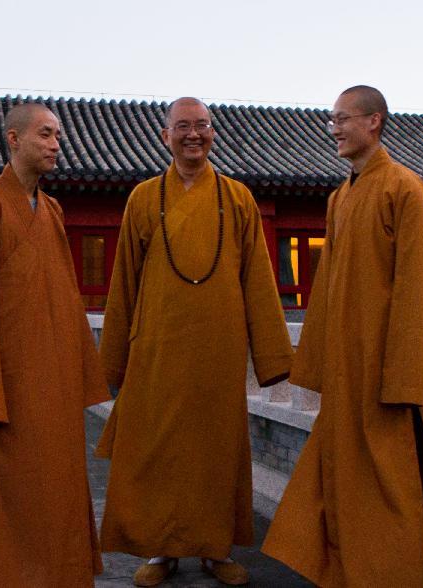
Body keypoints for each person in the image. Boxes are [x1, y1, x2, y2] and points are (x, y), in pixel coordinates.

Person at [261, 86, 423, 587]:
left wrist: (404, 375)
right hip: (346, 364)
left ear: (374, 122)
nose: (334, 128)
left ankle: (395, 573)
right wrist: (316, 362)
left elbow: (419, 285)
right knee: (342, 476)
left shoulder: (404, 188)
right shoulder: (339, 196)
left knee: (390, 477)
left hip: (384, 367)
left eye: (343, 118)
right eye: (331, 120)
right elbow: (328, 288)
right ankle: (346, 568)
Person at [95, 97, 293, 587]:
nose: (193, 134)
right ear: (165, 136)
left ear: (212, 133)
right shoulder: (143, 197)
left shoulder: (238, 198)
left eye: (202, 125)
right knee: (157, 449)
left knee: (216, 448)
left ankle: (215, 548)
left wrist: (271, 356)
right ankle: (162, 551)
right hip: (157, 346)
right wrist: (112, 362)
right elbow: (123, 283)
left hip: (218, 348)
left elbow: (258, 279)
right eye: (182, 126)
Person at [0, 102, 110, 586]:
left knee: (56, 495)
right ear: (14, 140)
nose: (56, 143)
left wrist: (80, 376)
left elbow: (65, 297)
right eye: (45, 134)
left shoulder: (54, 210)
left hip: (53, 387)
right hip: (7, 391)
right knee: (4, 496)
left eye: (58, 135)